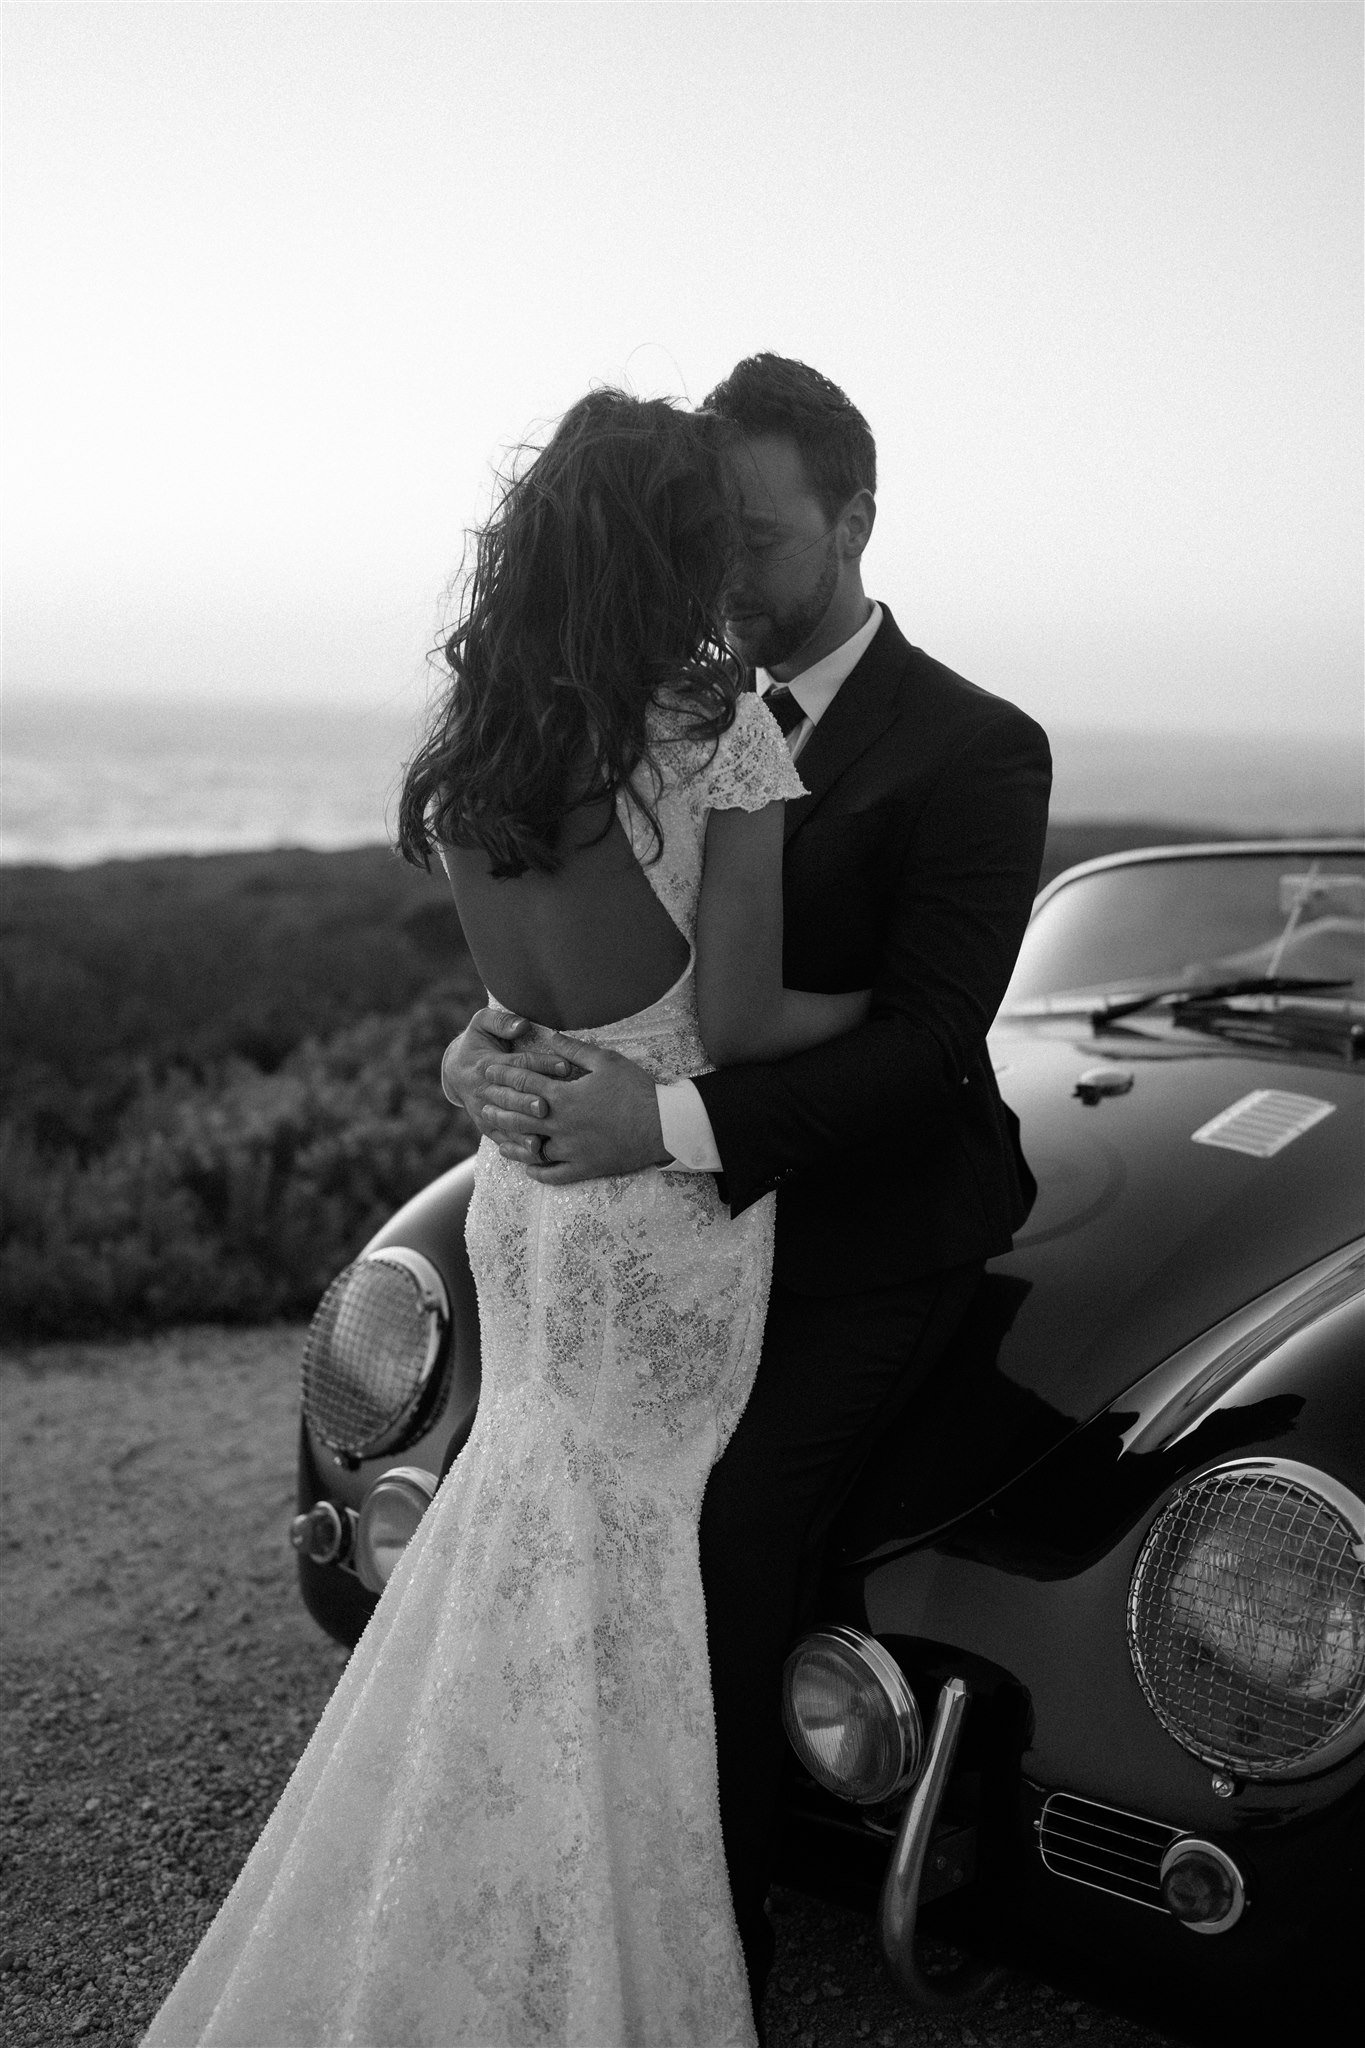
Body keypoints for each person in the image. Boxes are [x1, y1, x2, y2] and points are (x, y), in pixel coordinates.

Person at [140, 389, 871, 2048]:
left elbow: (522, 1011)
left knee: (531, 1529)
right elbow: (743, 1024)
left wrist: (496, 1055)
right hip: (664, 1215)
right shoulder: (721, 736)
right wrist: (890, 1010)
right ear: (664, 554)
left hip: (530, 1207)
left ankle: (471, 1898)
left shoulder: (477, 756)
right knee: (632, 1567)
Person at [443, 353, 1054, 2025]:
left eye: (761, 541)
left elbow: (927, 1046)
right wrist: (473, 1058)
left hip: (866, 1235)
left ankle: (707, 1961)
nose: (724, 577)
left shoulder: (977, 749)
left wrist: (672, 1129)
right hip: (655, 1240)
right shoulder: (656, 716)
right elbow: (592, 952)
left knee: (716, 1545)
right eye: (703, 540)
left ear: (857, 519)